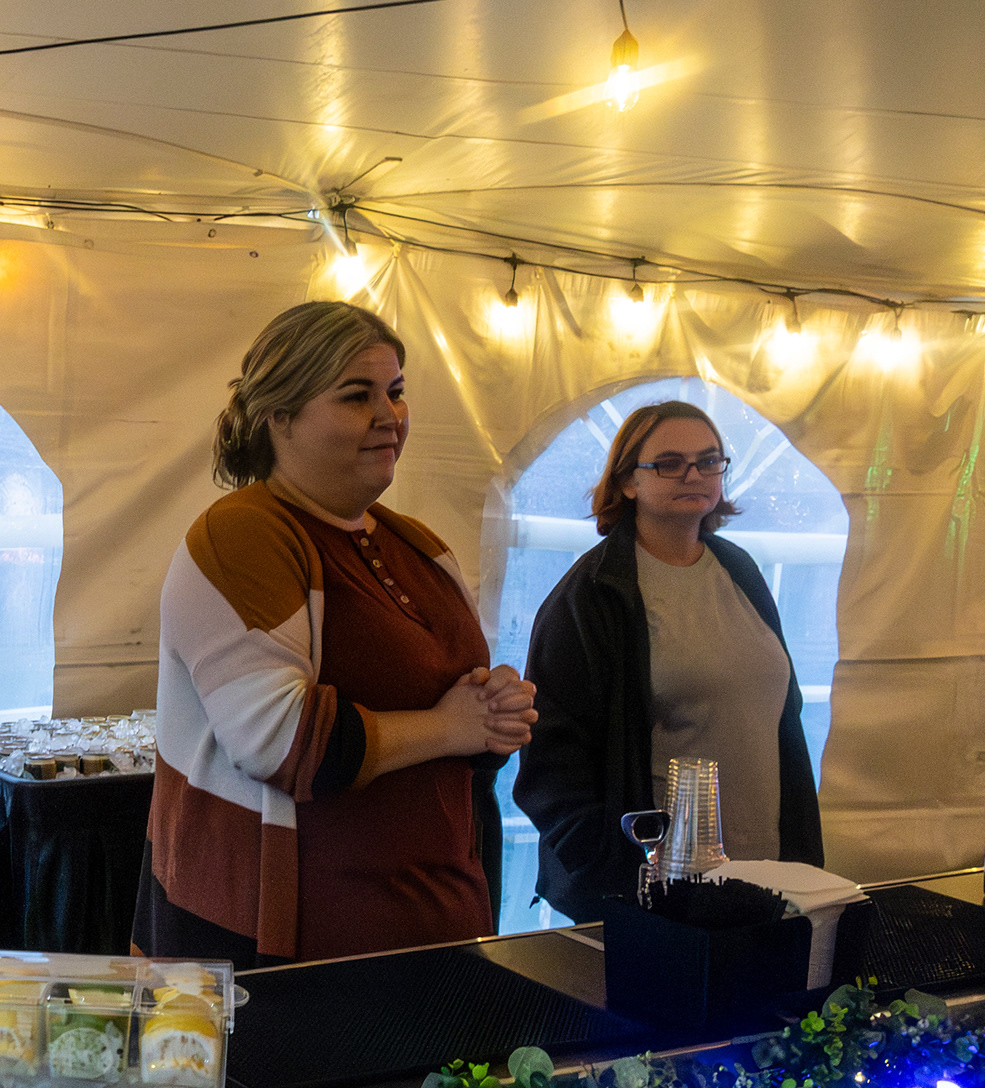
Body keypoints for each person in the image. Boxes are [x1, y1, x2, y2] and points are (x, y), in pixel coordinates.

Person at [131, 301, 536, 968]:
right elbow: (278, 740)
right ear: (279, 415)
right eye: (356, 396)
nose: (389, 415)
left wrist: (495, 714)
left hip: (435, 922)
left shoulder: (418, 544)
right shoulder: (244, 533)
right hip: (289, 951)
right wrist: (449, 728)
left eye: (395, 392)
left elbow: (460, 709)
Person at [514, 400, 824, 923]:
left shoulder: (739, 569)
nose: (694, 474)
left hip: (764, 873)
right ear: (628, 482)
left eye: (709, 460)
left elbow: (781, 718)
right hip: (657, 889)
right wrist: (613, 873)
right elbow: (551, 760)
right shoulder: (591, 594)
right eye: (669, 463)